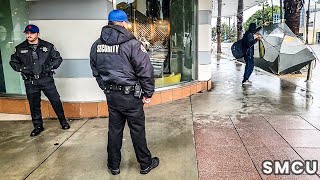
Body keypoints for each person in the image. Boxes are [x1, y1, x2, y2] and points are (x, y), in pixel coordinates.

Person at [90, 10, 159, 175]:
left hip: (112, 96)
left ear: (109, 23)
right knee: (137, 130)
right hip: (130, 97)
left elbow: (95, 70)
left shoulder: (96, 45)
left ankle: (113, 166)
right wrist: (148, 92)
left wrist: (105, 88)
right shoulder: (132, 44)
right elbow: (145, 70)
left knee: (114, 131)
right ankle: (145, 164)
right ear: (124, 23)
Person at [10, 24, 70, 137]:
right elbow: (13, 62)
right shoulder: (20, 48)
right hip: (30, 82)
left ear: (38, 34)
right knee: (34, 105)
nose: (29, 35)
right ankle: (38, 126)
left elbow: (58, 58)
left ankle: (63, 121)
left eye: (32, 33)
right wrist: (22, 69)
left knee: (55, 101)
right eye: (27, 33)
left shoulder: (48, 46)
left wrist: (49, 68)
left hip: (46, 80)